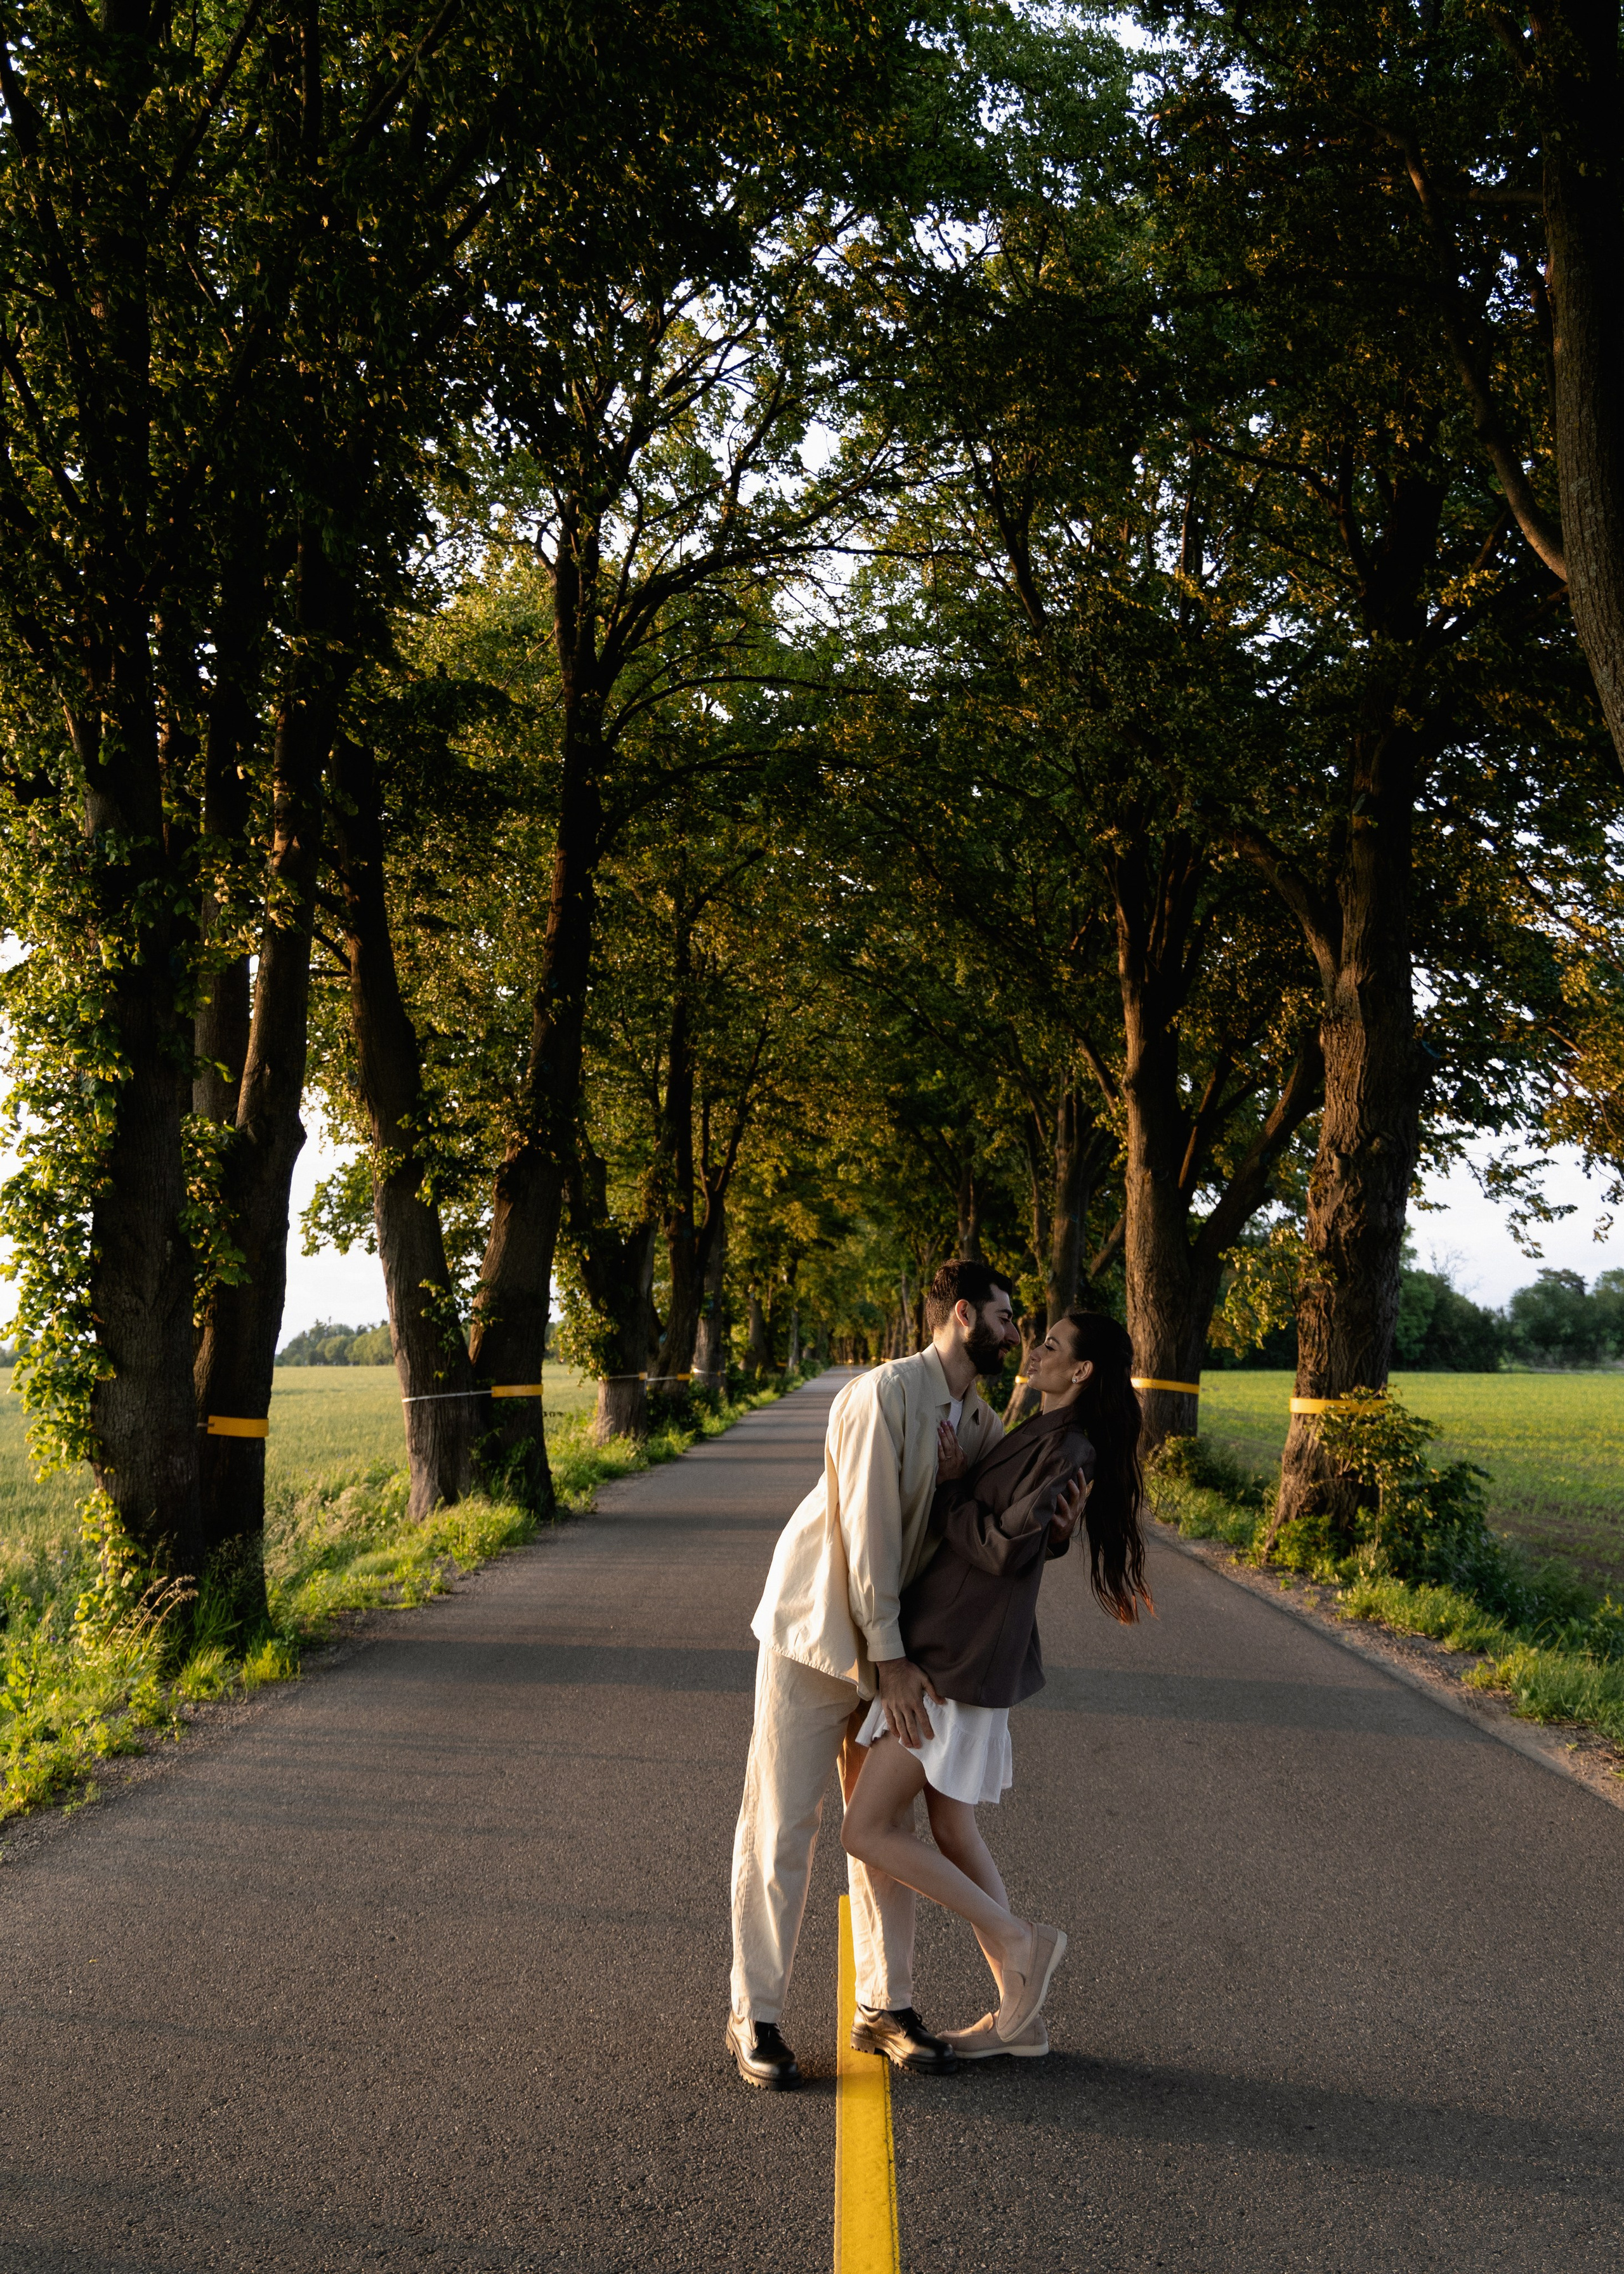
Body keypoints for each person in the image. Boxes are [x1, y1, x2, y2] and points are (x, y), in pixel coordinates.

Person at [728, 1262, 1077, 2089]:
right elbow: (867, 1531)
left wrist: (1056, 1531)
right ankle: (756, 2016)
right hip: (818, 1634)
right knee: (783, 1826)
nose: (1015, 1330)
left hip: (898, 1653)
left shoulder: (981, 1418)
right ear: (962, 1315)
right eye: (1004, 1315)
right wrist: (887, 1658)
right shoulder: (881, 1395)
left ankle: (885, 2007)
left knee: (884, 1828)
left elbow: (999, 1525)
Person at [841, 1311, 1153, 2060]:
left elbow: (1004, 1544)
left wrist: (951, 1494)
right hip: (965, 1641)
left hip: (957, 1651)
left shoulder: (1069, 1443)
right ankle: (1022, 2013)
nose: (1032, 1348)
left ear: (1080, 1371)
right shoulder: (1039, 1428)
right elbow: (1030, 1531)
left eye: (1049, 1344)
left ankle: (1021, 1939)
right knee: (952, 1828)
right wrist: (1042, 1528)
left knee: (865, 1829)